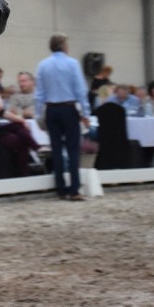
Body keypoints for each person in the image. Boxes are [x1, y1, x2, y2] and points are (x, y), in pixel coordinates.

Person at [34, 33, 91, 201]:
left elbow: (39, 94)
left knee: (56, 149)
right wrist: (86, 113)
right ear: (64, 46)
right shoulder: (72, 64)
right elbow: (80, 91)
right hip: (68, 108)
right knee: (73, 149)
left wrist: (39, 115)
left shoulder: (43, 65)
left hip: (51, 110)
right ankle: (74, 189)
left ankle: (60, 188)